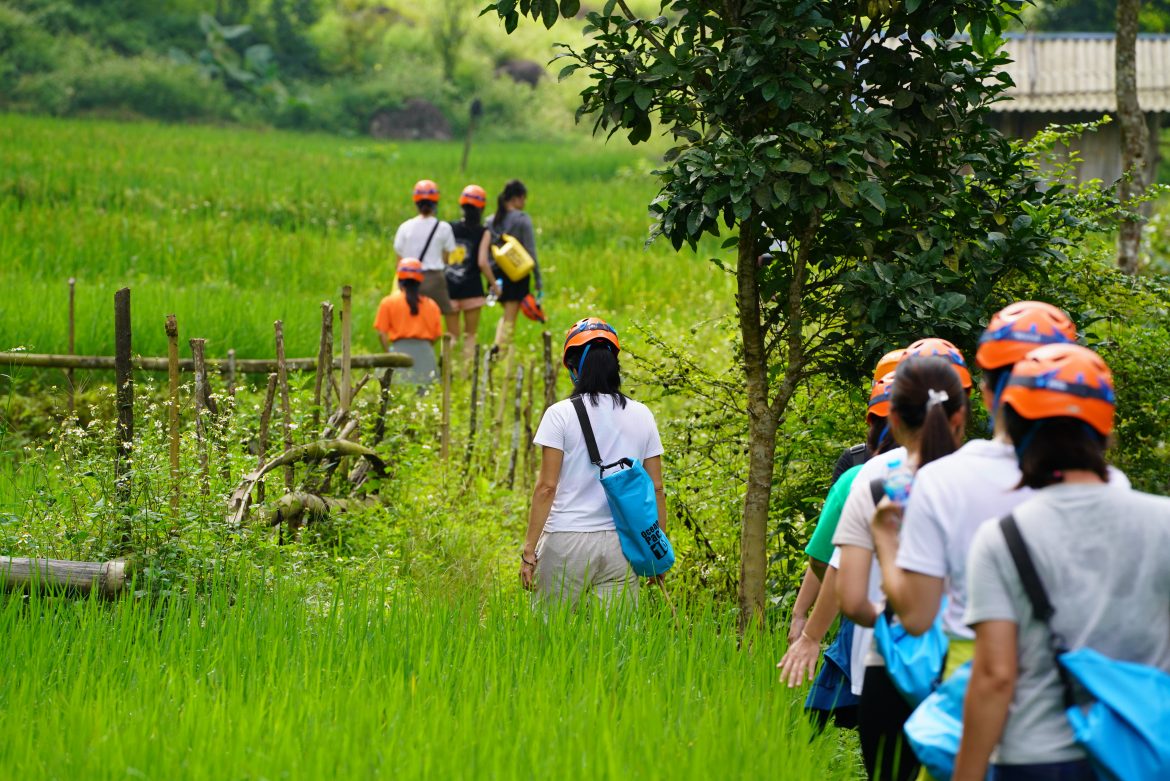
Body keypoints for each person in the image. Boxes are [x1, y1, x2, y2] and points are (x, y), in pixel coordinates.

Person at [954, 344, 1170, 781]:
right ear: (1104, 429)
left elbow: (995, 676)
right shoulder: (1163, 521)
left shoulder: (1002, 539)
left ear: (1016, 429)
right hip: (1148, 754)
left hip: (1037, 757)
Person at [834, 353, 968, 781]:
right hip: (974, 661)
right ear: (960, 415)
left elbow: (852, 600)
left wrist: (886, 616)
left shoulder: (874, 486)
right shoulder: (988, 478)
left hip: (893, 669)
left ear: (892, 417)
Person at [779, 369, 897, 731]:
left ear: (872, 421)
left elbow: (828, 560)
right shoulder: (964, 472)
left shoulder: (860, 476)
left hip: (872, 634)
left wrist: (810, 628)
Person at [519, 317, 665, 609]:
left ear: (574, 369)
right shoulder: (642, 414)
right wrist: (655, 551)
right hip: (622, 543)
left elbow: (546, 488)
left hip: (566, 540)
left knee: (550, 631)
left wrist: (529, 551)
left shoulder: (560, 414)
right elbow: (657, 488)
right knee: (615, 635)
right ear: (614, 365)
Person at [446, 184, 503, 364]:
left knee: (451, 335)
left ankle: (445, 369)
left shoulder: (450, 228)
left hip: (450, 287)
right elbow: (482, 262)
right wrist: (494, 285)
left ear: (462, 205)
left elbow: (444, 257)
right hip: (472, 289)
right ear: (482, 208)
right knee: (470, 335)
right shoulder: (483, 232)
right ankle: (465, 372)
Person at [487, 179, 542, 355]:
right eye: (524, 199)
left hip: (496, 274)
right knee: (510, 319)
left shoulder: (490, 221)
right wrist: (538, 279)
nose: (524, 203)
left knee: (507, 314)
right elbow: (531, 252)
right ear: (517, 198)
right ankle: (499, 354)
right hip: (517, 275)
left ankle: (498, 347)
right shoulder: (522, 220)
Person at [394, 179, 457, 319]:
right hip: (435, 280)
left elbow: (399, 262)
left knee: (409, 319)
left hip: (408, 281)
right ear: (436, 203)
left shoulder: (405, 227)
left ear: (416, 202)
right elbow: (446, 259)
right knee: (443, 318)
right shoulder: (443, 228)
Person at [373, 258, 442, 384]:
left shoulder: (388, 302)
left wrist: (389, 354)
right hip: (426, 355)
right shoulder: (432, 305)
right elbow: (437, 335)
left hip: (399, 352)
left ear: (399, 279)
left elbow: (381, 333)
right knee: (426, 388)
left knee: (397, 387)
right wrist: (425, 347)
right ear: (420, 280)